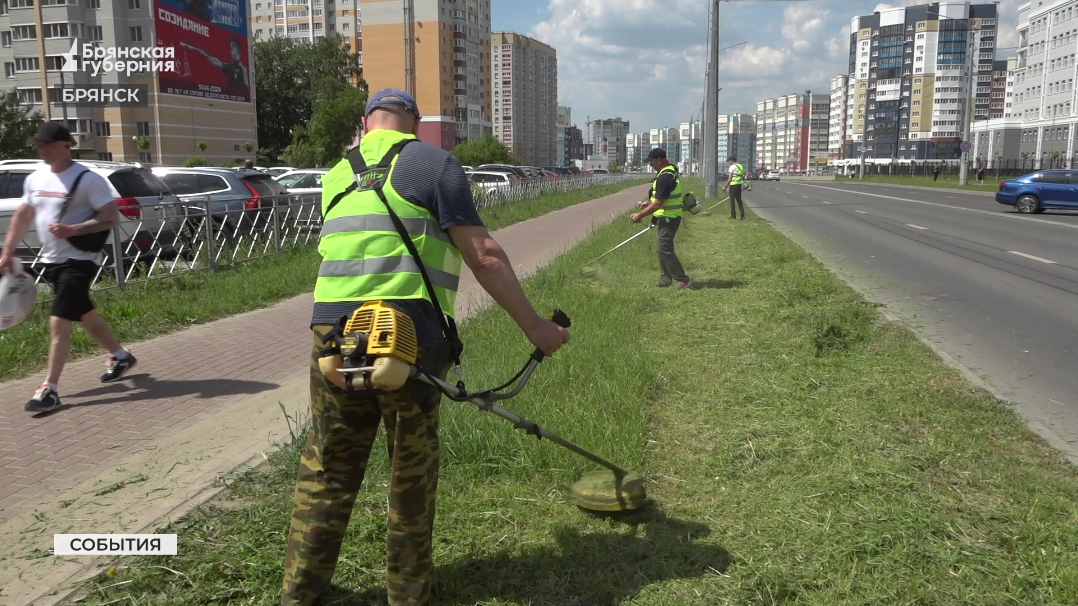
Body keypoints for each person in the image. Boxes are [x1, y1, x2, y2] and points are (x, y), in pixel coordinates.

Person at [281, 88, 570, 606]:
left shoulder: (337, 174)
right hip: (404, 335)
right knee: (408, 475)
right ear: (413, 124)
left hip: (332, 336)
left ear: (366, 124)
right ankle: (408, 595)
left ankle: (300, 592)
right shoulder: (433, 163)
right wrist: (535, 328)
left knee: (328, 465)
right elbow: (483, 255)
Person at [0, 123, 138, 413]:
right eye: (39, 145)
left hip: (81, 260)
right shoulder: (35, 178)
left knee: (58, 320)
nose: (42, 149)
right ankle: (121, 356)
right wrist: (8, 252)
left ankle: (49, 390)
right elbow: (23, 215)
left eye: (47, 144)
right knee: (85, 316)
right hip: (51, 261)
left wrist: (73, 229)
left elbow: (111, 218)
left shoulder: (89, 179)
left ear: (66, 145)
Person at [631, 148, 691, 289]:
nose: (650, 164)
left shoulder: (665, 176)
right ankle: (666, 278)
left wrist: (640, 215)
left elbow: (658, 203)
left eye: (651, 161)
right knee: (663, 247)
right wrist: (648, 202)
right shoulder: (668, 172)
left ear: (659, 160)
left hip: (669, 217)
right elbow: (661, 197)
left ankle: (683, 279)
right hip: (667, 216)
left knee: (665, 248)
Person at [723, 155, 746, 220]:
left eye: (729, 161)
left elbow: (730, 178)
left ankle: (733, 215)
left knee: (732, 200)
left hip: (733, 184)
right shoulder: (740, 166)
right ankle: (742, 216)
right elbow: (742, 175)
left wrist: (725, 186)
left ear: (731, 160)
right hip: (739, 184)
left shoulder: (732, 167)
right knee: (739, 200)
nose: (729, 162)